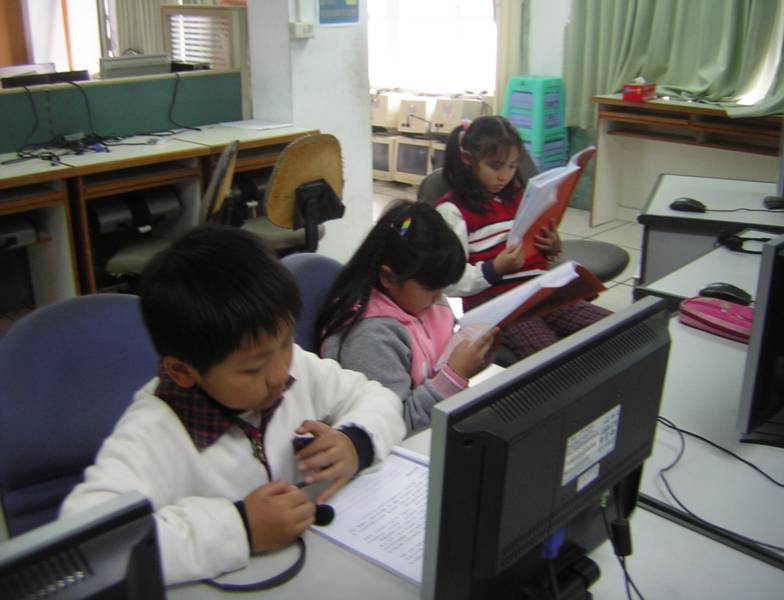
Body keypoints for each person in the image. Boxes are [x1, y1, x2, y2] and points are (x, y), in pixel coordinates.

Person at [59, 225, 405, 586]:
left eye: (285, 344)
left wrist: (354, 442)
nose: (279, 374)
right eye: (252, 369)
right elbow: (89, 544)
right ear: (181, 371)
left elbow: (377, 397)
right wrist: (240, 527)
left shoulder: (297, 368)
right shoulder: (154, 433)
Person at [435, 115, 611, 360]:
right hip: (496, 303)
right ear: (467, 160)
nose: (504, 176)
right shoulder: (453, 212)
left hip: (538, 289)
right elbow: (450, 281)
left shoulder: (518, 198)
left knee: (615, 329)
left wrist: (551, 247)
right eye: (495, 166)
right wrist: (494, 269)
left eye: (512, 166)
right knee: (551, 359)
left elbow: (532, 250)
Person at [315, 201, 496, 434]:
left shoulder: (429, 302)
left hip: (437, 424)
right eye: (430, 288)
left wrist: (477, 354)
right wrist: (455, 376)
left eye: (443, 287)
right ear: (388, 277)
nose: (439, 298)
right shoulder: (370, 338)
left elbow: (444, 361)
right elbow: (393, 424)